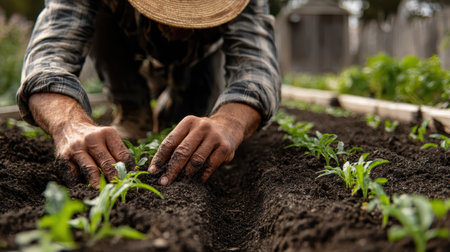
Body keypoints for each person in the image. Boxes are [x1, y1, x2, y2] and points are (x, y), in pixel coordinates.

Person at [17, 0, 281, 188]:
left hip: (200, 58)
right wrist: (69, 123)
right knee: (134, 127)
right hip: (119, 37)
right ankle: (132, 107)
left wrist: (229, 122)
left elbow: (257, 68)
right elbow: (47, 60)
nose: (180, 26)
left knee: (187, 122)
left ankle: (178, 103)